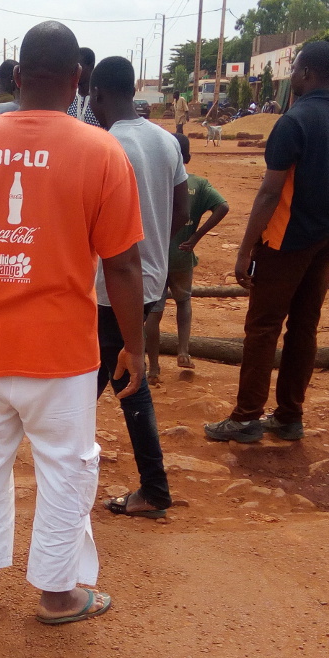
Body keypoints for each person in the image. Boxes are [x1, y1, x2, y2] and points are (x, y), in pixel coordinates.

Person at [0, 20, 147, 625]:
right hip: (63, 357)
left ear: (18, 76)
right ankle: (57, 593)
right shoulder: (101, 150)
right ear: (78, 78)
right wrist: (135, 345)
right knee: (65, 472)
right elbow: (124, 266)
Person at [205, 40, 329, 444]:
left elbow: (270, 193)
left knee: (263, 328)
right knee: (304, 328)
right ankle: (289, 416)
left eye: (294, 69)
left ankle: (245, 419)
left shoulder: (292, 122)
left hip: (287, 241)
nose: (291, 76)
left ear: (307, 73)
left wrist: (243, 251)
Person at [86, 55, 187, 522]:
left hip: (110, 284)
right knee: (123, 377)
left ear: (98, 95)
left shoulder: (104, 146)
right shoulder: (166, 142)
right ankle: (151, 486)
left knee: (105, 383)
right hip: (148, 279)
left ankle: (151, 487)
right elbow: (180, 216)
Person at [152, 132, 229, 376]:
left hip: (156, 258)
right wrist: (195, 237)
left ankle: (153, 367)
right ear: (187, 157)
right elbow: (223, 207)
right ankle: (183, 351)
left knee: (154, 312)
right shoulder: (199, 184)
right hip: (183, 257)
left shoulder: (155, 183)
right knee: (184, 302)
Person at [67, 46, 102, 126]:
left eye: (78, 67)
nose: (75, 71)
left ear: (91, 67)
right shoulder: (68, 98)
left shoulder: (100, 100)